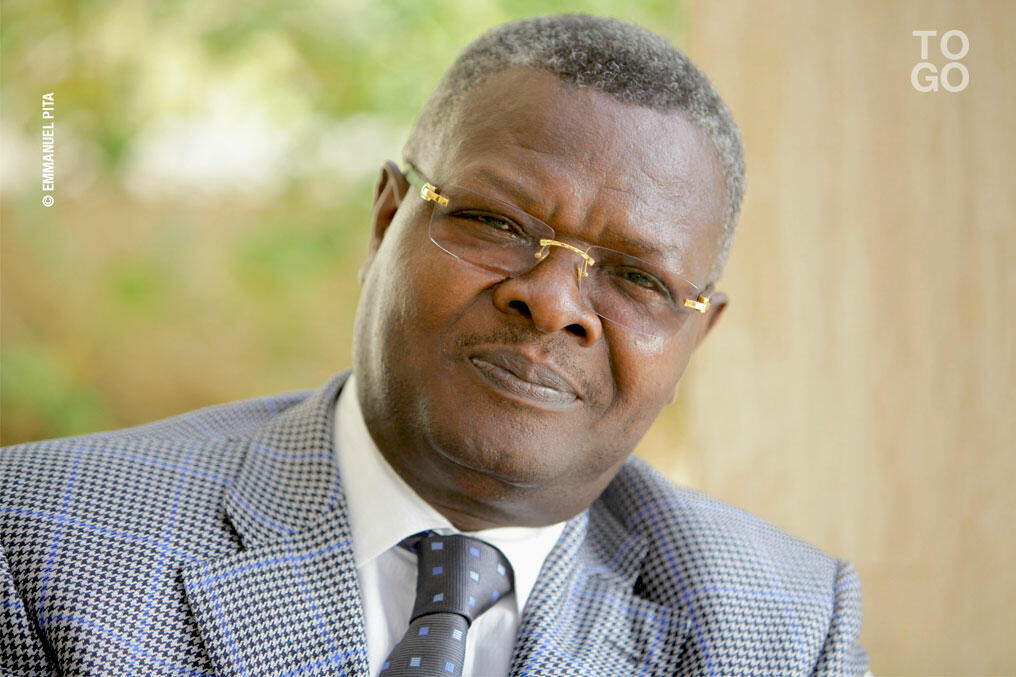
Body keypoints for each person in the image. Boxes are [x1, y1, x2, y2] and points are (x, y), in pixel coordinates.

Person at [0, 15, 868, 676]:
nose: (552, 301)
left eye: (638, 278)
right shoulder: (42, 545)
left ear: (695, 335)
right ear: (386, 221)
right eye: (497, 222)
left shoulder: (786, 630)